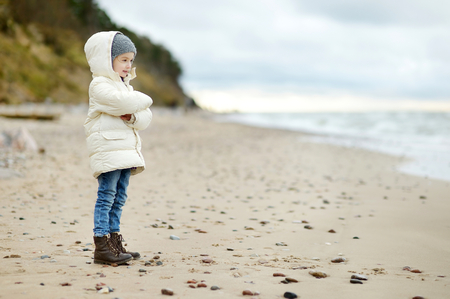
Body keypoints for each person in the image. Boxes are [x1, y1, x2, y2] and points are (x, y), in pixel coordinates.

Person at [84, 31, 153, 265]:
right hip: (108, 150)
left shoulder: (125, 87)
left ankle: (115, 242)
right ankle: (101, 244)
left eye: (131, 60)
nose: (128, 65)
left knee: (119, 197)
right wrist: (144, 101)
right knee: (106, 196)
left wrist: (133, 115)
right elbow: (127, 103)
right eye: (123, 59)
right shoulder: (100, 86)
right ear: (107, 59)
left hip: (125, 152)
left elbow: (145, 119)